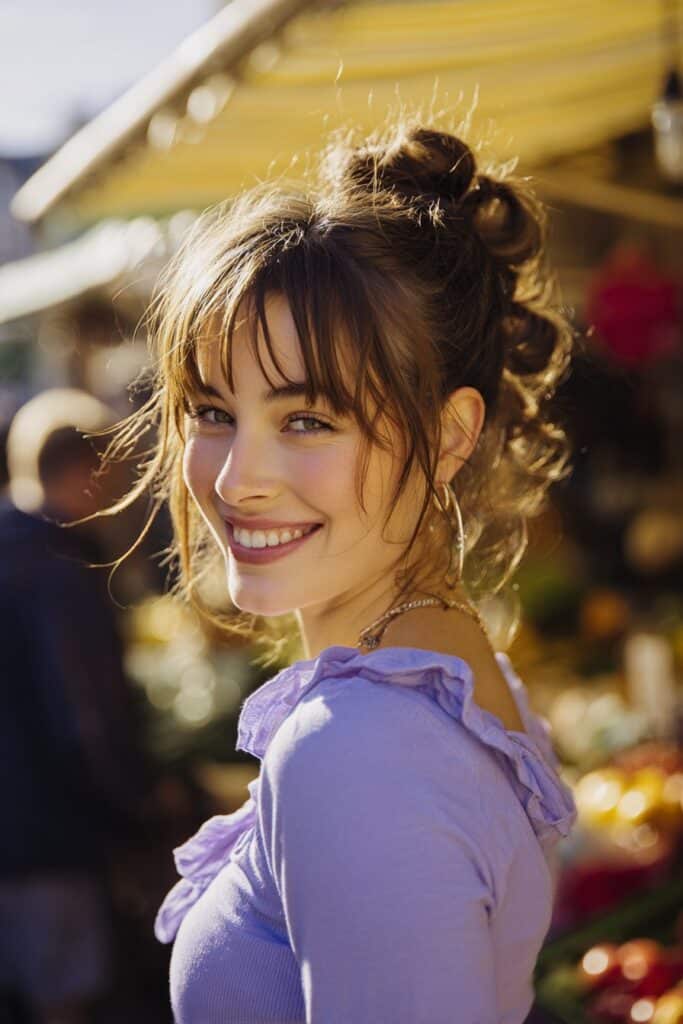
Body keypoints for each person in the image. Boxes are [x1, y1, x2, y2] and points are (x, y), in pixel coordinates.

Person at [106, 120, 578, 1023]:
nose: (237, 478)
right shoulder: (465, 684)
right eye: (211, 409)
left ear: (448, 435)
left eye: (308, 420)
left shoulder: (356, 748)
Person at [0, 390, 148, 1024]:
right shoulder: (58, 573)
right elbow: (84, 721)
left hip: (18, 834)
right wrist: (135, 809)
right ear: (84, 472)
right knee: (63, 1003)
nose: (114, 494)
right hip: (47, 838)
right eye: (111, 475)